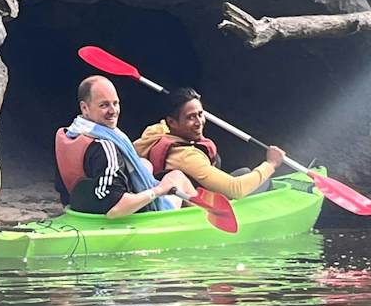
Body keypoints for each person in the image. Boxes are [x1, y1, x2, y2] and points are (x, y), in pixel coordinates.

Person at [55, 76, 196, 217]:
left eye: (115, 103)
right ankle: (206, 222)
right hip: (114, 215)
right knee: (178, 177)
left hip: (79, 209)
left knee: (144, 164)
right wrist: (159, 190)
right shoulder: (105, 147)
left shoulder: (71, 134)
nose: (113, 111)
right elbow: (115, 209)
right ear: (85, 108)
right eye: (104, 105)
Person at [135, 86, 285, 199]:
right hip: (202, 208)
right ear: (172, 122)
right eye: (190, 117)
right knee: (264, 181)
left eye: (200, 114)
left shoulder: (155, 131)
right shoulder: (186, 157)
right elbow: (236, 189)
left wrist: (187, 109)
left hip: (200, 192)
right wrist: (270, 164)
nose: (199, 122)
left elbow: (162, 124)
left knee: (245, 172)